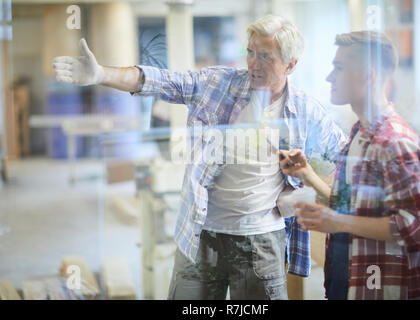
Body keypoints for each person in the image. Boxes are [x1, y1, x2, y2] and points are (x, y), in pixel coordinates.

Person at [53, 14, 347, 300]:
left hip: (262, 241)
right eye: (250, 52)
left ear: (291, 64)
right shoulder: (218, 83)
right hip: (201, 234)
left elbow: (345, 158)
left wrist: (315, 183)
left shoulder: (306, 111)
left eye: (266, 56)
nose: (254, 64)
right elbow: (161, 81)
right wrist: (102, 74)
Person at [279, 31, 420, 300]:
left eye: (338, 68)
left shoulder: (395, 142)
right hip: (347, 278)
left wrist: (338, 221)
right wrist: (308, 174)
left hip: (378, 288)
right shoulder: (359, 133)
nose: (330, 77)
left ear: (368, 76)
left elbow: (417, 228)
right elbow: (353, 206)